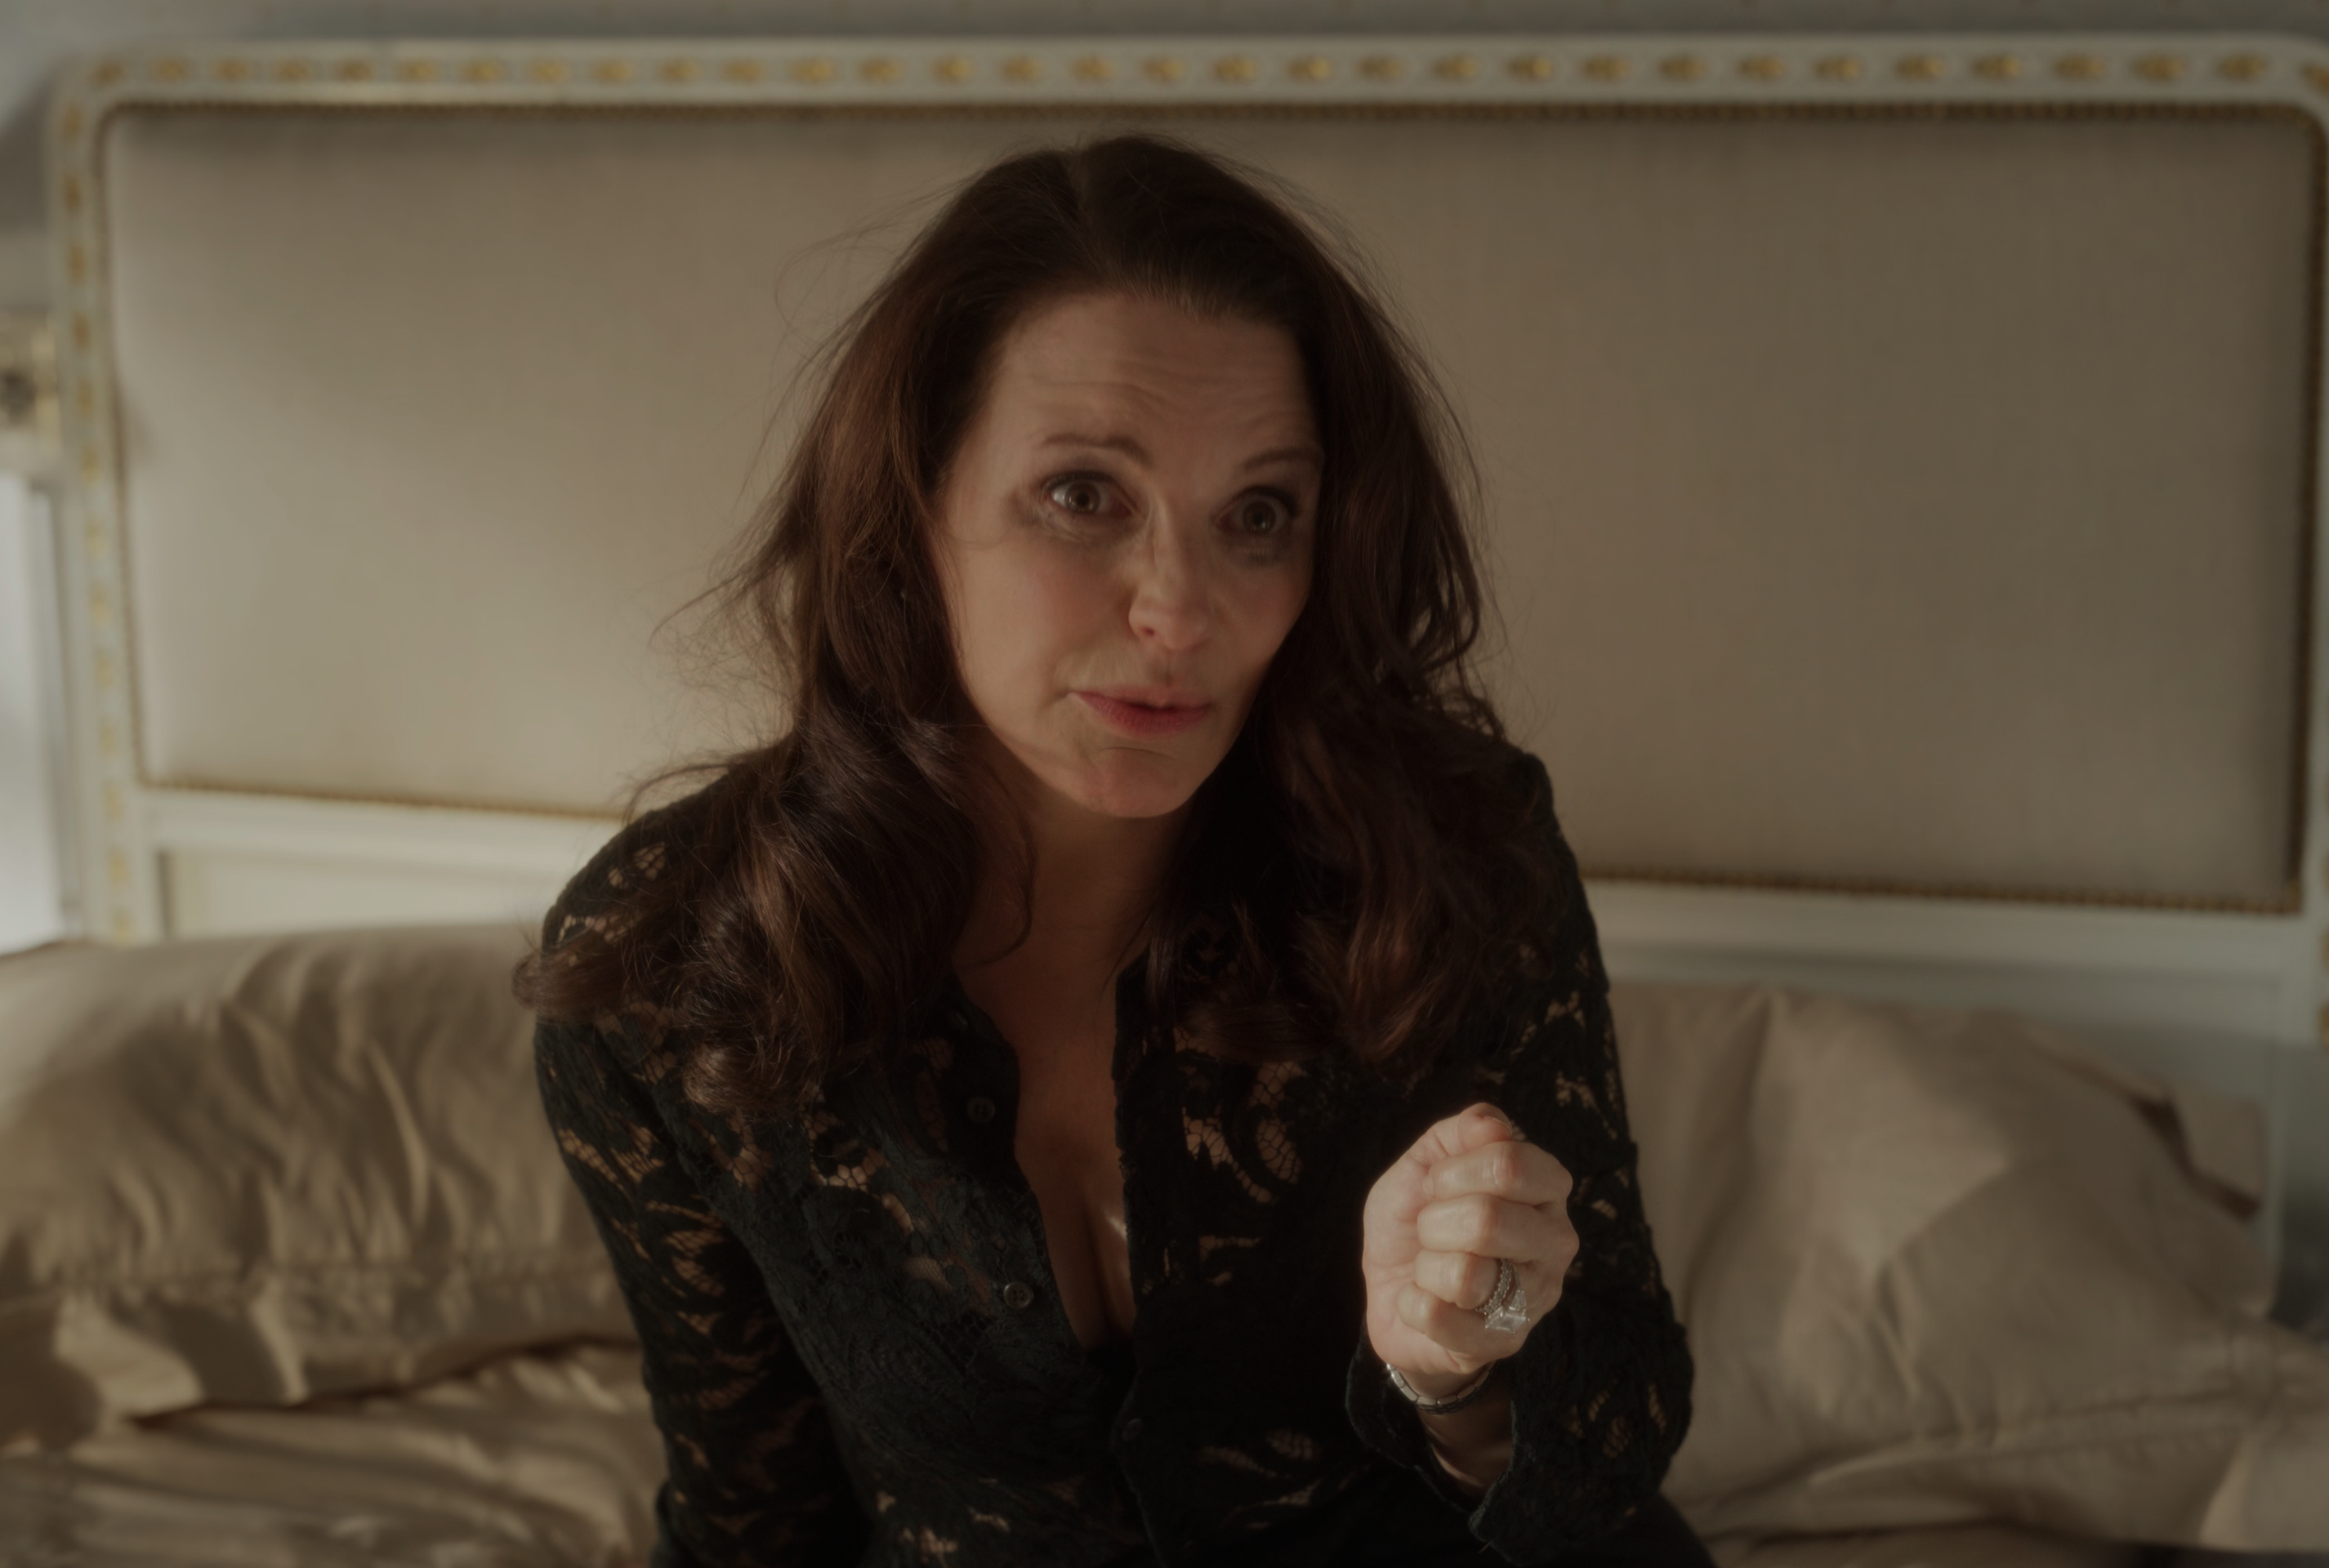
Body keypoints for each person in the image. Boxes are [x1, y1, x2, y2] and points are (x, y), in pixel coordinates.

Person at [521, 133, 1702, 1568]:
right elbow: (752, 1522)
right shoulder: (670, 970)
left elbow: (1616, 1436)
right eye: (1083, 495)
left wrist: (1462, 1365)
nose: (1181, 611)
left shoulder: (1455, 854)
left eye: (1258, 514)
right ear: (912, 504)